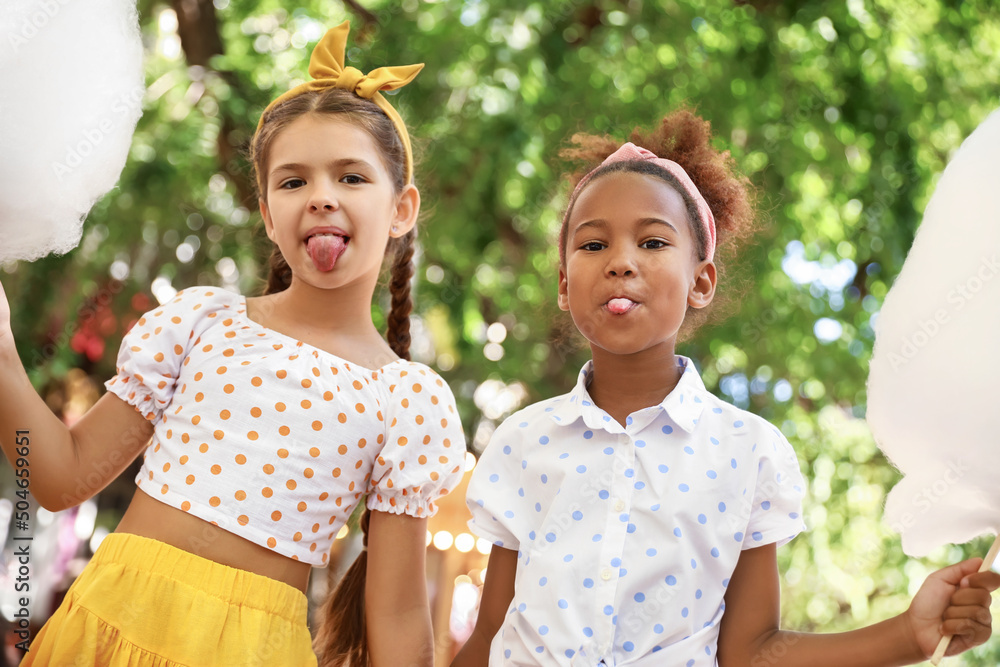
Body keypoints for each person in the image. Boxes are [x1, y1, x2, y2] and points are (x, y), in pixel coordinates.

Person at [452, 110, 999, 666]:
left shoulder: (748, 453)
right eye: (593, 246)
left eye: (653, 242)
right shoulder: (521, 442)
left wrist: (911, 633)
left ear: (701, 280)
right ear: (565, 285)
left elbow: (753, 653)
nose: (620, 262)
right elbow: (490, 636)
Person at [0, 21, 465, 667]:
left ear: (402, 208)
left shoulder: (405, 399)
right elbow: (59, 477)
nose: (322, 197)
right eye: (294, 180)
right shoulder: (200, 325)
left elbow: (398, 617)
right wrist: (1, 352)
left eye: (352, 177)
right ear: (270, 215)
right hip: (99, 632)